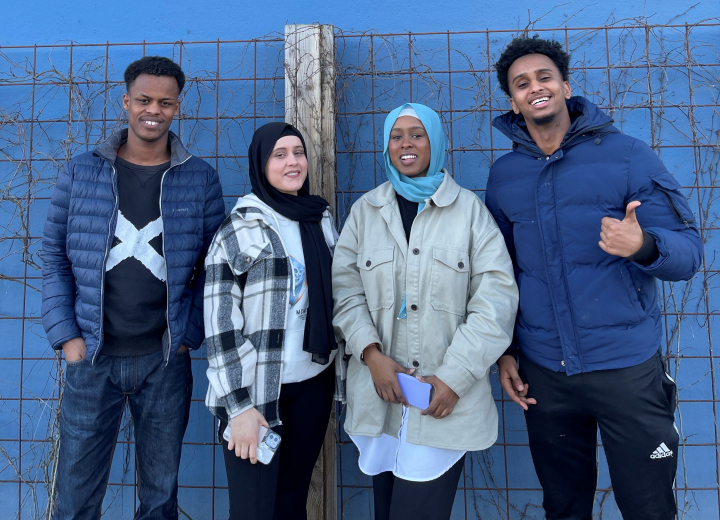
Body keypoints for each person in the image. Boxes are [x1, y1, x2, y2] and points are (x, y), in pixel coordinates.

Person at [487, 36, 702, 520]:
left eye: (544, 77)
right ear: (513, 101)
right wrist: (506, 350)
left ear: (565, 86)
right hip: (546, 374)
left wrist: (643, 246)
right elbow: (500, 275)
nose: (535, 88)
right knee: (564, 509)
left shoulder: (627, 156)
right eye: (521, 84)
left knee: (649, 508)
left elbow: (689, 254)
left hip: (626, 369)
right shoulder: (505, 176)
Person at [41, 56, 225, 519]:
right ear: (126, 102)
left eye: (165, 103)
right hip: (92, 356)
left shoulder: (200, 178)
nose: (153, 111)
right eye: (144, 100)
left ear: (177, 107)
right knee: (75, 499)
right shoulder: (82, 172)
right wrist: (67, 337)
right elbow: (54, 256)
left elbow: (214, 267)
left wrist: (188, 336)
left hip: (164, 359)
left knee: (160, 499)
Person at [331, 103, 518, 520]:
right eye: (396, 136)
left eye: (417, 134)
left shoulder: (469, 213)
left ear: (435, 142)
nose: (406, 144)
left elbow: (495, 302)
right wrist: (371, 355)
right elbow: (345, 291)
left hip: (442, 404)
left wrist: (454, 377)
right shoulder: (366, 212)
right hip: (381, 401)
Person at [203, 122, 342, 520]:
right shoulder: (239, 228)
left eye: (298, 153)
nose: (292, 162)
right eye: (279, 155)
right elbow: (220, 326)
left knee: (291, 504)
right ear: (261, 165)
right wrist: (239, 407)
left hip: (313, 384)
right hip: (257, 393)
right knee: (253, 511)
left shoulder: (319, 218)